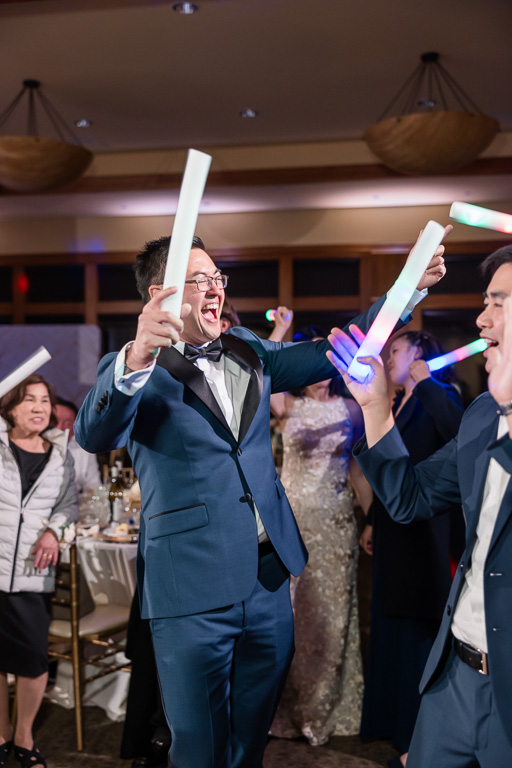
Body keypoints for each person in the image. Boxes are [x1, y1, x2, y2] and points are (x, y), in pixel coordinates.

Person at [74, 233, 446, 768]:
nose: (214, 289)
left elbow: (344, 349)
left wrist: (406, 288)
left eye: (217, 279)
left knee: (252, 744)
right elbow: (94, 433)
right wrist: (137, 353)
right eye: (199, 280)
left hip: (268, 582)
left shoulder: (248, 347)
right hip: (192, 593)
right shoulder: (135, 368)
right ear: (158, 294)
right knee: (200, 751)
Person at [326, 244, 512, 768]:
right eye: (484, 301)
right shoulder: (480, 415)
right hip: (452, 677)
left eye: (499, 303)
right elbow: (410, 498)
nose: (482, 318)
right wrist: (375, 406)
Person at [358, 330, 464, 767]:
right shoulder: (398, 401)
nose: (390, 356)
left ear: (420, 354)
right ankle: (393, 724)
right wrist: (369, 520)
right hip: (394, 530)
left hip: (428, 534)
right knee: (391, 627)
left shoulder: (440, 392)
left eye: (397, 349)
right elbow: (393, 474)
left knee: (419, 628)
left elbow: (457, 434)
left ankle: (416, 731)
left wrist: (426, 383)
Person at [270, 327, 372, 745]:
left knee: (333, 618)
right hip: (291, 522)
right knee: (292, 620)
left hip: (335, 525)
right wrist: (280, 328)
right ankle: (289, 711)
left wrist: (372, 519)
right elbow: (262, 368)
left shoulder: (351, 409)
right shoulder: (286, 406)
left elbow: (356, 467)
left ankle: (324, 710)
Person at [0, 374, 79, 768]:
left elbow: (70, 508)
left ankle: (23, 735)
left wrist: (53, 532)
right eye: (28, 399)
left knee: (33, 660)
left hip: (33, 572)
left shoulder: (61, 456)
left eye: (44, 400)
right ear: (10, 407)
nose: (38, 407)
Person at [54, 397, 101, 497]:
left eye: (68, 423)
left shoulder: (83, 448)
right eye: (55, 421)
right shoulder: (34, 446)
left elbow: (94, 486)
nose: (60, 427)